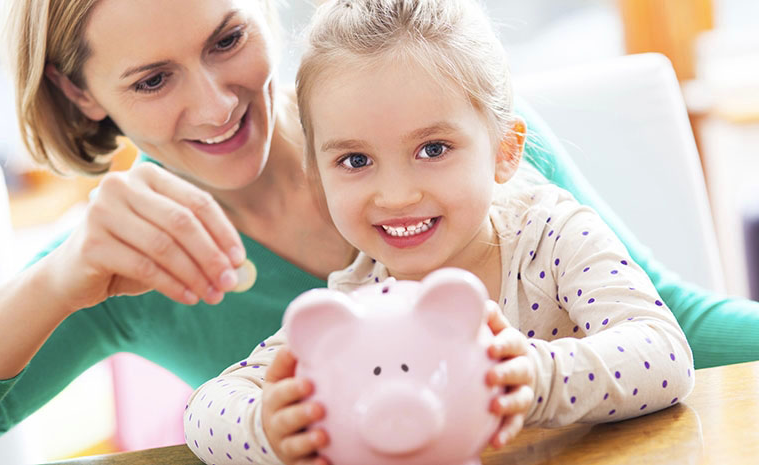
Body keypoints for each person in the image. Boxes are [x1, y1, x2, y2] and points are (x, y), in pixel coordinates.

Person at [0, 0, 756, 463]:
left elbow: (669, 329)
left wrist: (539, 375)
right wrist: (54, 283)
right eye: (153, 78)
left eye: (227, 37)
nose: (214, 105)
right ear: (84, 93)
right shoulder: (129, 258)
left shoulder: (446, 126)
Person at [182, 1, 695, 464]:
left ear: (504, 150)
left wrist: (539, 378)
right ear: (317, 178)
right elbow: (204, 410)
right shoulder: (354, 304)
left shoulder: (553, 237)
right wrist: (268, 425)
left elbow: (664, 354)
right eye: (355, 160)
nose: (397, 194)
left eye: (433, 149)